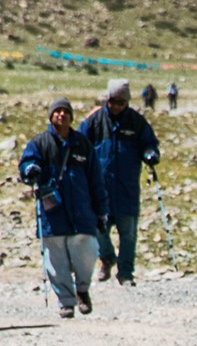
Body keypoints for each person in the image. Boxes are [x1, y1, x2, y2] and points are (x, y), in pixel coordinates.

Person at [17, 98, 109, 318]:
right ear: (50, 117)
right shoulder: (40, 143)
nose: (61, 115)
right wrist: (31, 169)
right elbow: (26, 163)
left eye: (65, 111)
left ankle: (83, 290)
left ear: (71, 116)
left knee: (87, 251)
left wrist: (101, 210)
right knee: (56, 258)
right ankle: (66, 302)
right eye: (57, 111)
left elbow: (96, 178)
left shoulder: (83, 144)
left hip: (82, 210)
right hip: (53, 212)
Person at [79, 79, 160, 287]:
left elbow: (149, 143)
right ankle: (106, 258)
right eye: (113, 101)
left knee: (129, 234)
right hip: (100, 188)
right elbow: (78, 144)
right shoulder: (94, 121)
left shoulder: (136, 122)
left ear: (127, 102)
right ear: (107, 99)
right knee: (99, 229)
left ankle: (125, 273)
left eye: (121, 103)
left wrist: (150, 154)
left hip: (127, 189)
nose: (116, 106)